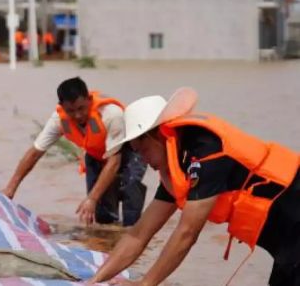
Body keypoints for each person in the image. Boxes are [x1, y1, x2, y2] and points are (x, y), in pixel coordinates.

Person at [88, 89, 300, 286]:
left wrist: (144, 284)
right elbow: (140, 233)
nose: (143, 159)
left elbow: (187, 233)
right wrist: (94, 281)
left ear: (159, 135)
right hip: (287, 245)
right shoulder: (178, 166)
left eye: (143, 149)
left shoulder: (207, 151)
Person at [2, 77, 147, 226]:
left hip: (129, 151)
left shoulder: (111, 114)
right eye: (70, 111)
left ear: (89, 99)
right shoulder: (58, 120)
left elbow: (114, 162)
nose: (77, 115)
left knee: (131, 207)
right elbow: (35, 152)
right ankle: (105, 242)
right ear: (62, 106)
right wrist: (10, 189)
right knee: (103, 218)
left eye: (81, 108)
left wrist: (92, 198)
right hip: (96, 155)